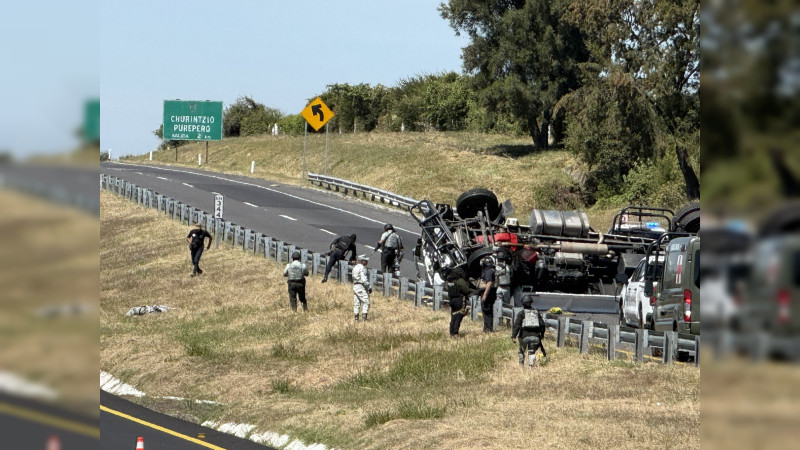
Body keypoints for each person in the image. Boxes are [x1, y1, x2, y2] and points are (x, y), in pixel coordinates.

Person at [511, 295, 547, 365]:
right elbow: (542, 325)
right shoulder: (536, 313)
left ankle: (521, 366)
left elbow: (517, 325)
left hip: (524, 337)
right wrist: (542, 335)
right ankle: (531, 366)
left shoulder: (522, 313)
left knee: (521, 351)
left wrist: (513, 336)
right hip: (535, 337)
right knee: (532, 352)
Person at [445, 267, 470, 337]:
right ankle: (455, 332)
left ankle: (451, 332)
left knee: (453, 316)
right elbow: (466, 290)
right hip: (459, 300)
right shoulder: (460, 281)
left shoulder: (450, 281)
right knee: (459, 316)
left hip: (451, 300)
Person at [480, 256, 498, 332]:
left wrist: (484, 295)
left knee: (486, 310)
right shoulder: (492, 270)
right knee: (488, 311)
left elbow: (489, 283)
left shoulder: (488, 271)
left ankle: (488, 328)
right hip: (491, 293)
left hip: (488, 294)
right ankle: (487, 328)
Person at [352, 254, 372, 321]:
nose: (366, 262)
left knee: (357, 303)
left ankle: (356, 318)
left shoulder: (355, 267)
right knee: (366, 302)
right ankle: (364, 318)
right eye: (365, 261)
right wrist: (369, 287)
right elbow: (364, 279)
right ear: (361, 261)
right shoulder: (362, 268)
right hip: (361, 286)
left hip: (355, 286)